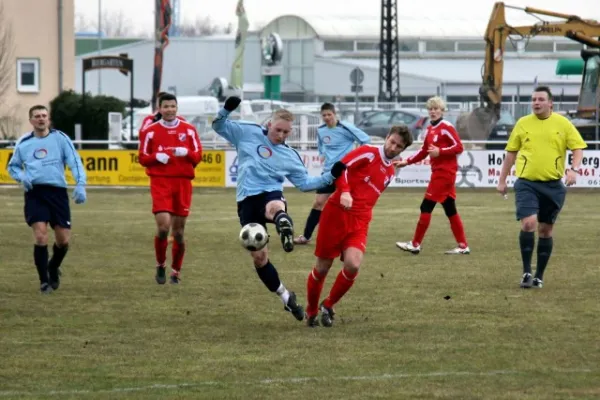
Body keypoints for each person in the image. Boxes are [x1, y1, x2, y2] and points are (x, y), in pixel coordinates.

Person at [212, 96, 346, 322]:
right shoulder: (248, 132)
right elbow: (218, 125)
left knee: (275, 207)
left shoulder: (289, 156)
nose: (281, 136)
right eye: (278, 130)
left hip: (270, 194)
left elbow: (304, 184)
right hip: (246, 200)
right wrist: (226, 109)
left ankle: (284, 224)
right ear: (269, 125)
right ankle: (285, 297)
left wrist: (331, 175)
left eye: (286, 133)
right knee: (259, 258)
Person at [305, 125, 412, 327]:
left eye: (398, 146)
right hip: (336, 214)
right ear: (387, 137)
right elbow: (340, 167)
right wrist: (345, 191)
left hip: (360, 221)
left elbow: (370, 195)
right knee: (322, 268)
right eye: (392, 141)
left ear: (402, 149)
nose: (393, 147)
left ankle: (327, 306)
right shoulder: (368, 152)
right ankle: (310, 311)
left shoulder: (390, 171)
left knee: (353, 264)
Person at [496, 86, 586, 289]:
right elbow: (511, 153)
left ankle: (539, 276)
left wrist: (574, 169)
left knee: (545, 230)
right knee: (529, 224)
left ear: (550, 103)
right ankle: (526, 272)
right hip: (527, 183)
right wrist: (502, 180)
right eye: (534, 99)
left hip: (553, 186)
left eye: (541, 99)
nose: (536, 102)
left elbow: (578, 147)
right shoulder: (522, 123)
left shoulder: (563, 124)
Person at [7, 105, 87, 293]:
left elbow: (74, 161)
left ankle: (53, 266)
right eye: (37, 116)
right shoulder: (24, 142)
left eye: (44, 115)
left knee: (63, 240)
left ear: (48, 119)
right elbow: (13, 167)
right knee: (41, 235)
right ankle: (44, 282)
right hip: (35, 193)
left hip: (57, 193)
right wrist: (22, 177)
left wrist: (80, 183)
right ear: (31, 120)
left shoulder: (60, 138)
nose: (41, 119)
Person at [138, 93, 203, 285]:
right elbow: (142, 157)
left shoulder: (189, 130)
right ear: (159, 109)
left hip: (182, 183)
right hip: (161, 182)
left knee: (179, 233)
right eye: (165, 106)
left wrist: (187, 153)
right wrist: (156, 157)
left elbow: (198, 156)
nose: (169, 110)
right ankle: (160, 265)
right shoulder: (150, 131)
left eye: (173, 106)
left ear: (177, 108)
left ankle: (176, 271)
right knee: (164, 227)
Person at [395, 96, 470, 255]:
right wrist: (406, 162)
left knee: (426, 206)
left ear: (442, 110)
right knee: (450, 209)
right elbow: (424, 151)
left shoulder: (446, 126)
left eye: (436, 108)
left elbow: (459, 147)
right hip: (439, 173)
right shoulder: (430, 128)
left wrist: (440, 151)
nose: (433, 111)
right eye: (430, 109)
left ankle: (415, 244)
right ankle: (463, 246)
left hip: (444, 173)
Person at [294, 103, 371, 245]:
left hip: (345, 173)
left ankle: (351, 236)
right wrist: (322, 153)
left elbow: (365, 140)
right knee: (318, 203)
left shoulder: (345, 128)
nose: (327, 117)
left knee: (347, 206)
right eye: (324, 115)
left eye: (329, 114)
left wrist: (356, 158)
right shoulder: (321, 130)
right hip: (329, 173)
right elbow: (321, 144)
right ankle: (306, 236)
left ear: (335, 114)